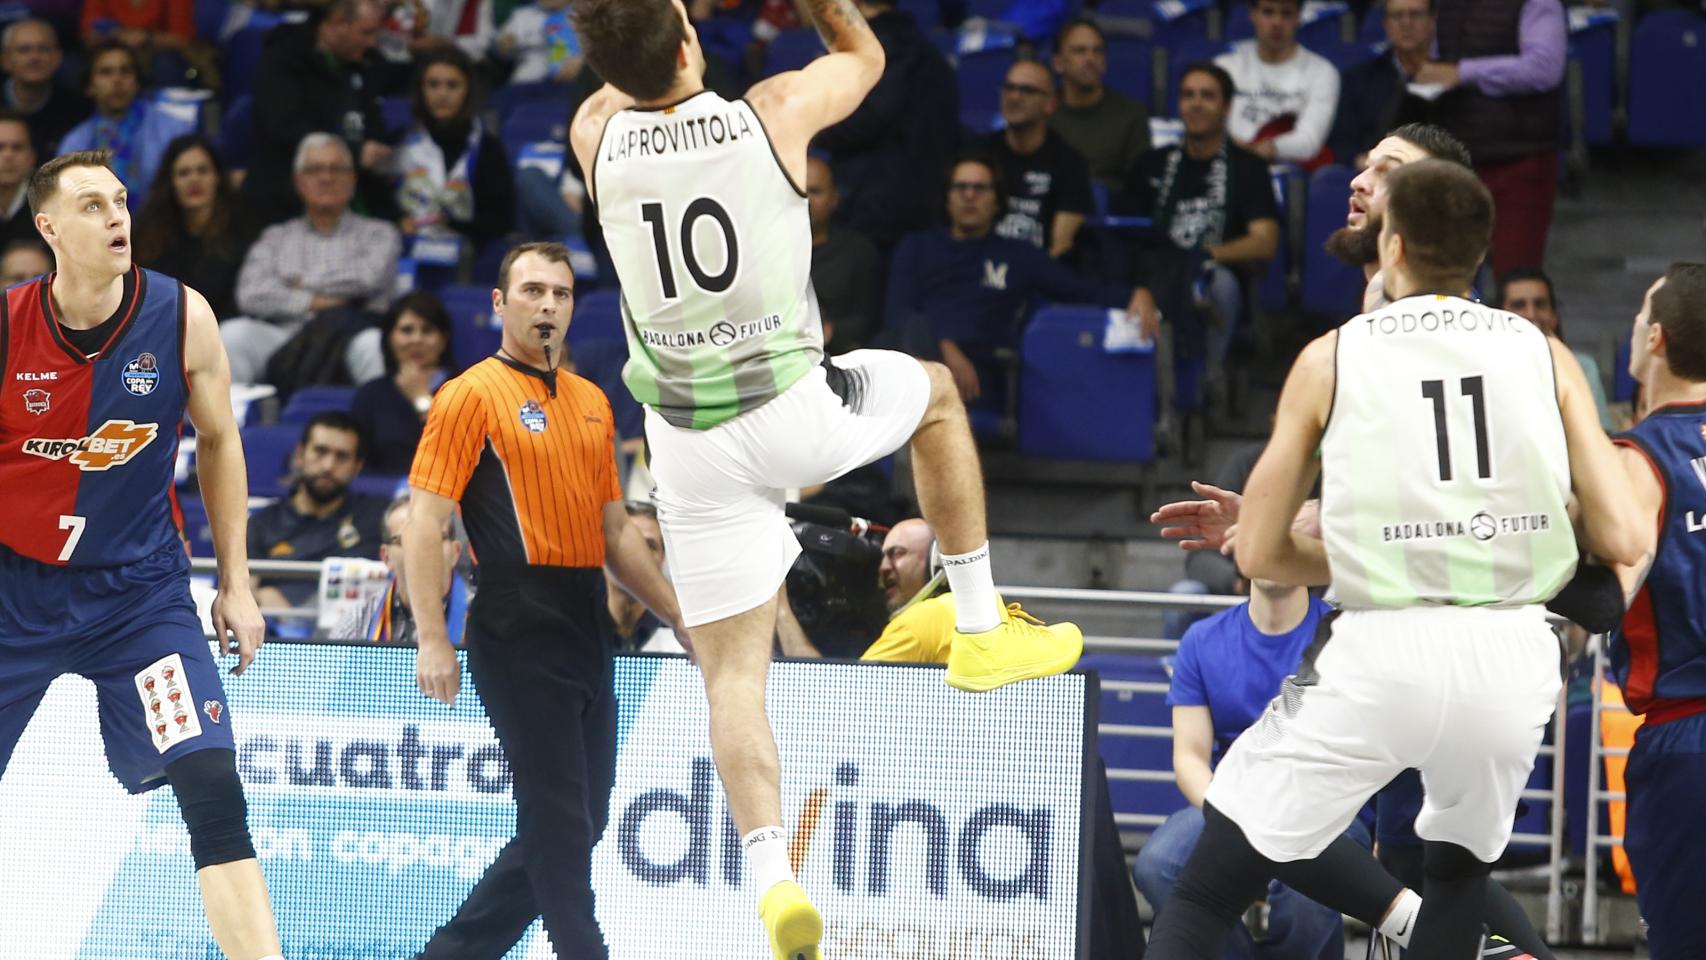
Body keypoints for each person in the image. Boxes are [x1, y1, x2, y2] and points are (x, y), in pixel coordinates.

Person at [568, 3, 1085, 957]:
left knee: (729, 674)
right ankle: (978, 626)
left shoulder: (594, 136)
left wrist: (638, 34)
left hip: (685, 439)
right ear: (690, 45)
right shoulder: (770, 112)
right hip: (787, 405)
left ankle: (772, 876)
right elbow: (866, 51)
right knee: (933, 395)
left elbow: (622, 58)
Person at [1143, 160, 1647, 959]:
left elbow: (1268, 550)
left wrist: (1359, 546)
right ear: (1480, 256)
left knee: (1204, 888)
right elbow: (1621, 537)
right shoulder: (1544, 353)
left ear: (1396, 244)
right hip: (1512, 655)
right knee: (1453, 887)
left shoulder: (1332, 355)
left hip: (1383, 651)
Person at [0, 150, 283, 959]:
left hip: (138, 598)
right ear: (48, 227)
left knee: (212, 786)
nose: (117, 216)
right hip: (14, 591)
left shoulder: (182, 314)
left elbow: (222, 441)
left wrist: (237, 583)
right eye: (91, 205)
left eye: (120, 200)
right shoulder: (6, 324)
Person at [405, 242, 681, 959]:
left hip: (588, 617)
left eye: (560, 293)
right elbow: (425, 524)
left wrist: (682, 616)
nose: (548, 304)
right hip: (515, 615)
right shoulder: (468, 395)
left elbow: (616, 531)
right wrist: (433, 638)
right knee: (559, 826)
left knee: (579, 824)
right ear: (499, 304)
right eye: (532, 290)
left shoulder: (592, 402)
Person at [1137, 575, 1365, 960]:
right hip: (1233, 801)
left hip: (1325, 806)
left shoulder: (1346, 636)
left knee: (1308, 893)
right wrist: (1232, 818)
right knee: (1158, 864)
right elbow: (1189, 755)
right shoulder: (1202, 639)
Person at [1609, 263, 1706, 959]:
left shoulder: (1635, 461)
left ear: (1657, 340)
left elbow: (1596, 589)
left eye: (1643, 315)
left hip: (1687, 740)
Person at [885, 155, 1147, 412]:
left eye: (980, 188)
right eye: (960, 187)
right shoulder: (915, 248)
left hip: (980, 373)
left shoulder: (1019, 255)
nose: (969, 195)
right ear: (947, 199)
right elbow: (898, 312)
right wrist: (945, 348)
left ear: (997, 202)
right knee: (906, 334)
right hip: (916, 359)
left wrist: (1135, 295)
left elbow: (1079, 291)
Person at [1117, 63, 1278, 404]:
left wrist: (1203, 255)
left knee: (1215, 283)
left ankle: (1200, 382)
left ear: (1227, 107)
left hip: (1211, 270)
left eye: (1207, 96)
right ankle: (1134, 387)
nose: (1196, 104)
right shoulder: (1151, 164)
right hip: (1153, 268)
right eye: (1188, 95)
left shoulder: (1248, 168)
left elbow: (1265, 242)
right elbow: (1126, 234)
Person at [227, 133, 402, 389]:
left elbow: (367, 279)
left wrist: (299, 284)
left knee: (374, 344)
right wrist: (319, 301)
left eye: (336, 169)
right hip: (287, 340)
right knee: (234, 334)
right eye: (315, 170)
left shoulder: (380, 233)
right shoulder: (276, 237)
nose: (326, 177)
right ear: (299, 182)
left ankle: (378, 425)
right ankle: (232, 427)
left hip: (349, 336)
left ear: (352, 179)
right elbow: (250, 294)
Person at [1410, 0, 1566, 276]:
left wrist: (1463, 73)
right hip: (1457, 161)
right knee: (1446, 279)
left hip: (1519, 159)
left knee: (1515, 277)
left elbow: (1545, 68)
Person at [812, 0, 959, 250]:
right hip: (917, 207)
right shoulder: (927, 51)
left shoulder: (879, 51)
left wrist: (813, 123)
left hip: (872, 209)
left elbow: (867, 120)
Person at [243, 0, 396, 229]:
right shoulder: (283, 59)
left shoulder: (367, 64)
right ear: (336, 24)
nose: (372, 42)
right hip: (286, 197)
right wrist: (352, 153)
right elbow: (283, 128)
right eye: (365, 32)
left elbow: (373, 126)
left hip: (357, 194)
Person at [247, 410, 391, 610]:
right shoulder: (262, 523)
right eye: (320, 451)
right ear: (300, 454)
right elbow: (243, 596)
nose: (328, 465)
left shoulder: (378, 516)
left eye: (342, 456)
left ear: (357, 466)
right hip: (277, 636)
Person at [396, 46, 515, 253]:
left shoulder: (488, 148)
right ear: (421, 90)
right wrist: (399, 222)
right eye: (433, 85)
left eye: (452, 85)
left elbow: (500, 220)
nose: (442, 94)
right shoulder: (398, 142)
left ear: (468, 90)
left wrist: (450, 225)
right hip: (404, 249)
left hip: (469, 253)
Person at [57, 40, 197, 211]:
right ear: (90, 86)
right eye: (106, 72)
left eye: (125, 71)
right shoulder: (74, 144)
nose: (117, 80)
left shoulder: (176, 131)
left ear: (137, 82)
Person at [982, 58, 1094, 257]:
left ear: (1050, 104)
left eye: (1027, 90)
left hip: (1037, 275)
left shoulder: (1070, 163)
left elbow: (1060, 247)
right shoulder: (978, 154)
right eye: (1009, 88)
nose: (1015, 97)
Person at [1213, 0, 1339, 167]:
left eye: (1286, 14)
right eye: (1268, 12)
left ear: (1298, 17)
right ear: (1253, 15)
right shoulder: (1224, 67)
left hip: (1285, 171)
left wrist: (1267, 148)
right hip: (1227, 164)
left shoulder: (1322, 72)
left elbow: (1310, 141)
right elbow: (1210, 126)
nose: (1276, 22)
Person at [133, 135, 248, 319]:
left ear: (217, 177)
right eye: (184, 173)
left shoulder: (242, 232)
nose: (194, 180)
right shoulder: (150, 238)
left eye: (202, 171)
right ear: (170, 183)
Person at [351, 291, 455, 474]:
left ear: (444, 339)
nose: (416, 339)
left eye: (428, 330)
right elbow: (358, 463)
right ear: (390, 337)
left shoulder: (467, 389)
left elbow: (457, 453)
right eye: (407, 330)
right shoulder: (370, 395)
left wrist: (421, 400)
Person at [343, 496, 467, 645]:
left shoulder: (483, 619)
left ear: (455, 552)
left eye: (434, 539)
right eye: (406, 540)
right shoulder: (358, 619)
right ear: (386, 557)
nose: (422, 550)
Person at [1500, 266, 1613, 429]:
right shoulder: (1488, 368)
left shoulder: (1581, 366)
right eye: (1519, 305)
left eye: (1540, 304)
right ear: (1499, 315)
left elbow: (1602, 434)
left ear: (1554, 316)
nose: (1531, 314)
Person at [1049, 16, 1150, 194]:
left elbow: (1139, 189)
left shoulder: (1131, 115)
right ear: (1058, 63)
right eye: (1079, 51)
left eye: (1098, 51)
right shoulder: (1042, 113)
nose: (1090, 58)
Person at [1327, 0, 1434, 169]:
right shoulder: (1358, 79)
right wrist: (1369, 162)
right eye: (1397, 16)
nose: (1406, 23)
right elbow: (1343, 146)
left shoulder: (1452, 76)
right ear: (1385, 24)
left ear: (1432, 21)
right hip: (1377, 174)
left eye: (1415, 14)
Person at [806, 156, 881, 353]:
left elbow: (869, 318)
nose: (806, 200)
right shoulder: (769, 251)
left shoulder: (858, 250)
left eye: (815, 191)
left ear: (834, 199)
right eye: (799, 191)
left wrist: (831, 331)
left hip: (839, 357)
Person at [1, 19, 90, 156]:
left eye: (43, 49)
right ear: (5, 60)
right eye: (24, 50)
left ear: (57, 58)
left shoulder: (77, 110)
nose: (34, 57)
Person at [606, 500, 682, 651]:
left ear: (663, 558)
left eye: (649, 545)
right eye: (625, 545)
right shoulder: (575, 619)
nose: (636, 556)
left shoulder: (680, 633)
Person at [494, 0, 585, 86]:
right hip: (526, 80)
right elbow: (500, 49)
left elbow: (592, 49)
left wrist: (582, 63)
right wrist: (504, 46)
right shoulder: (523, 15)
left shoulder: (580, 16)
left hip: (568, 82)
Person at [0, 111, 37, 249]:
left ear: (32, 157)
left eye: (17, 147)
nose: (8, 155)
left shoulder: (50, 204)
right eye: (0, 147)